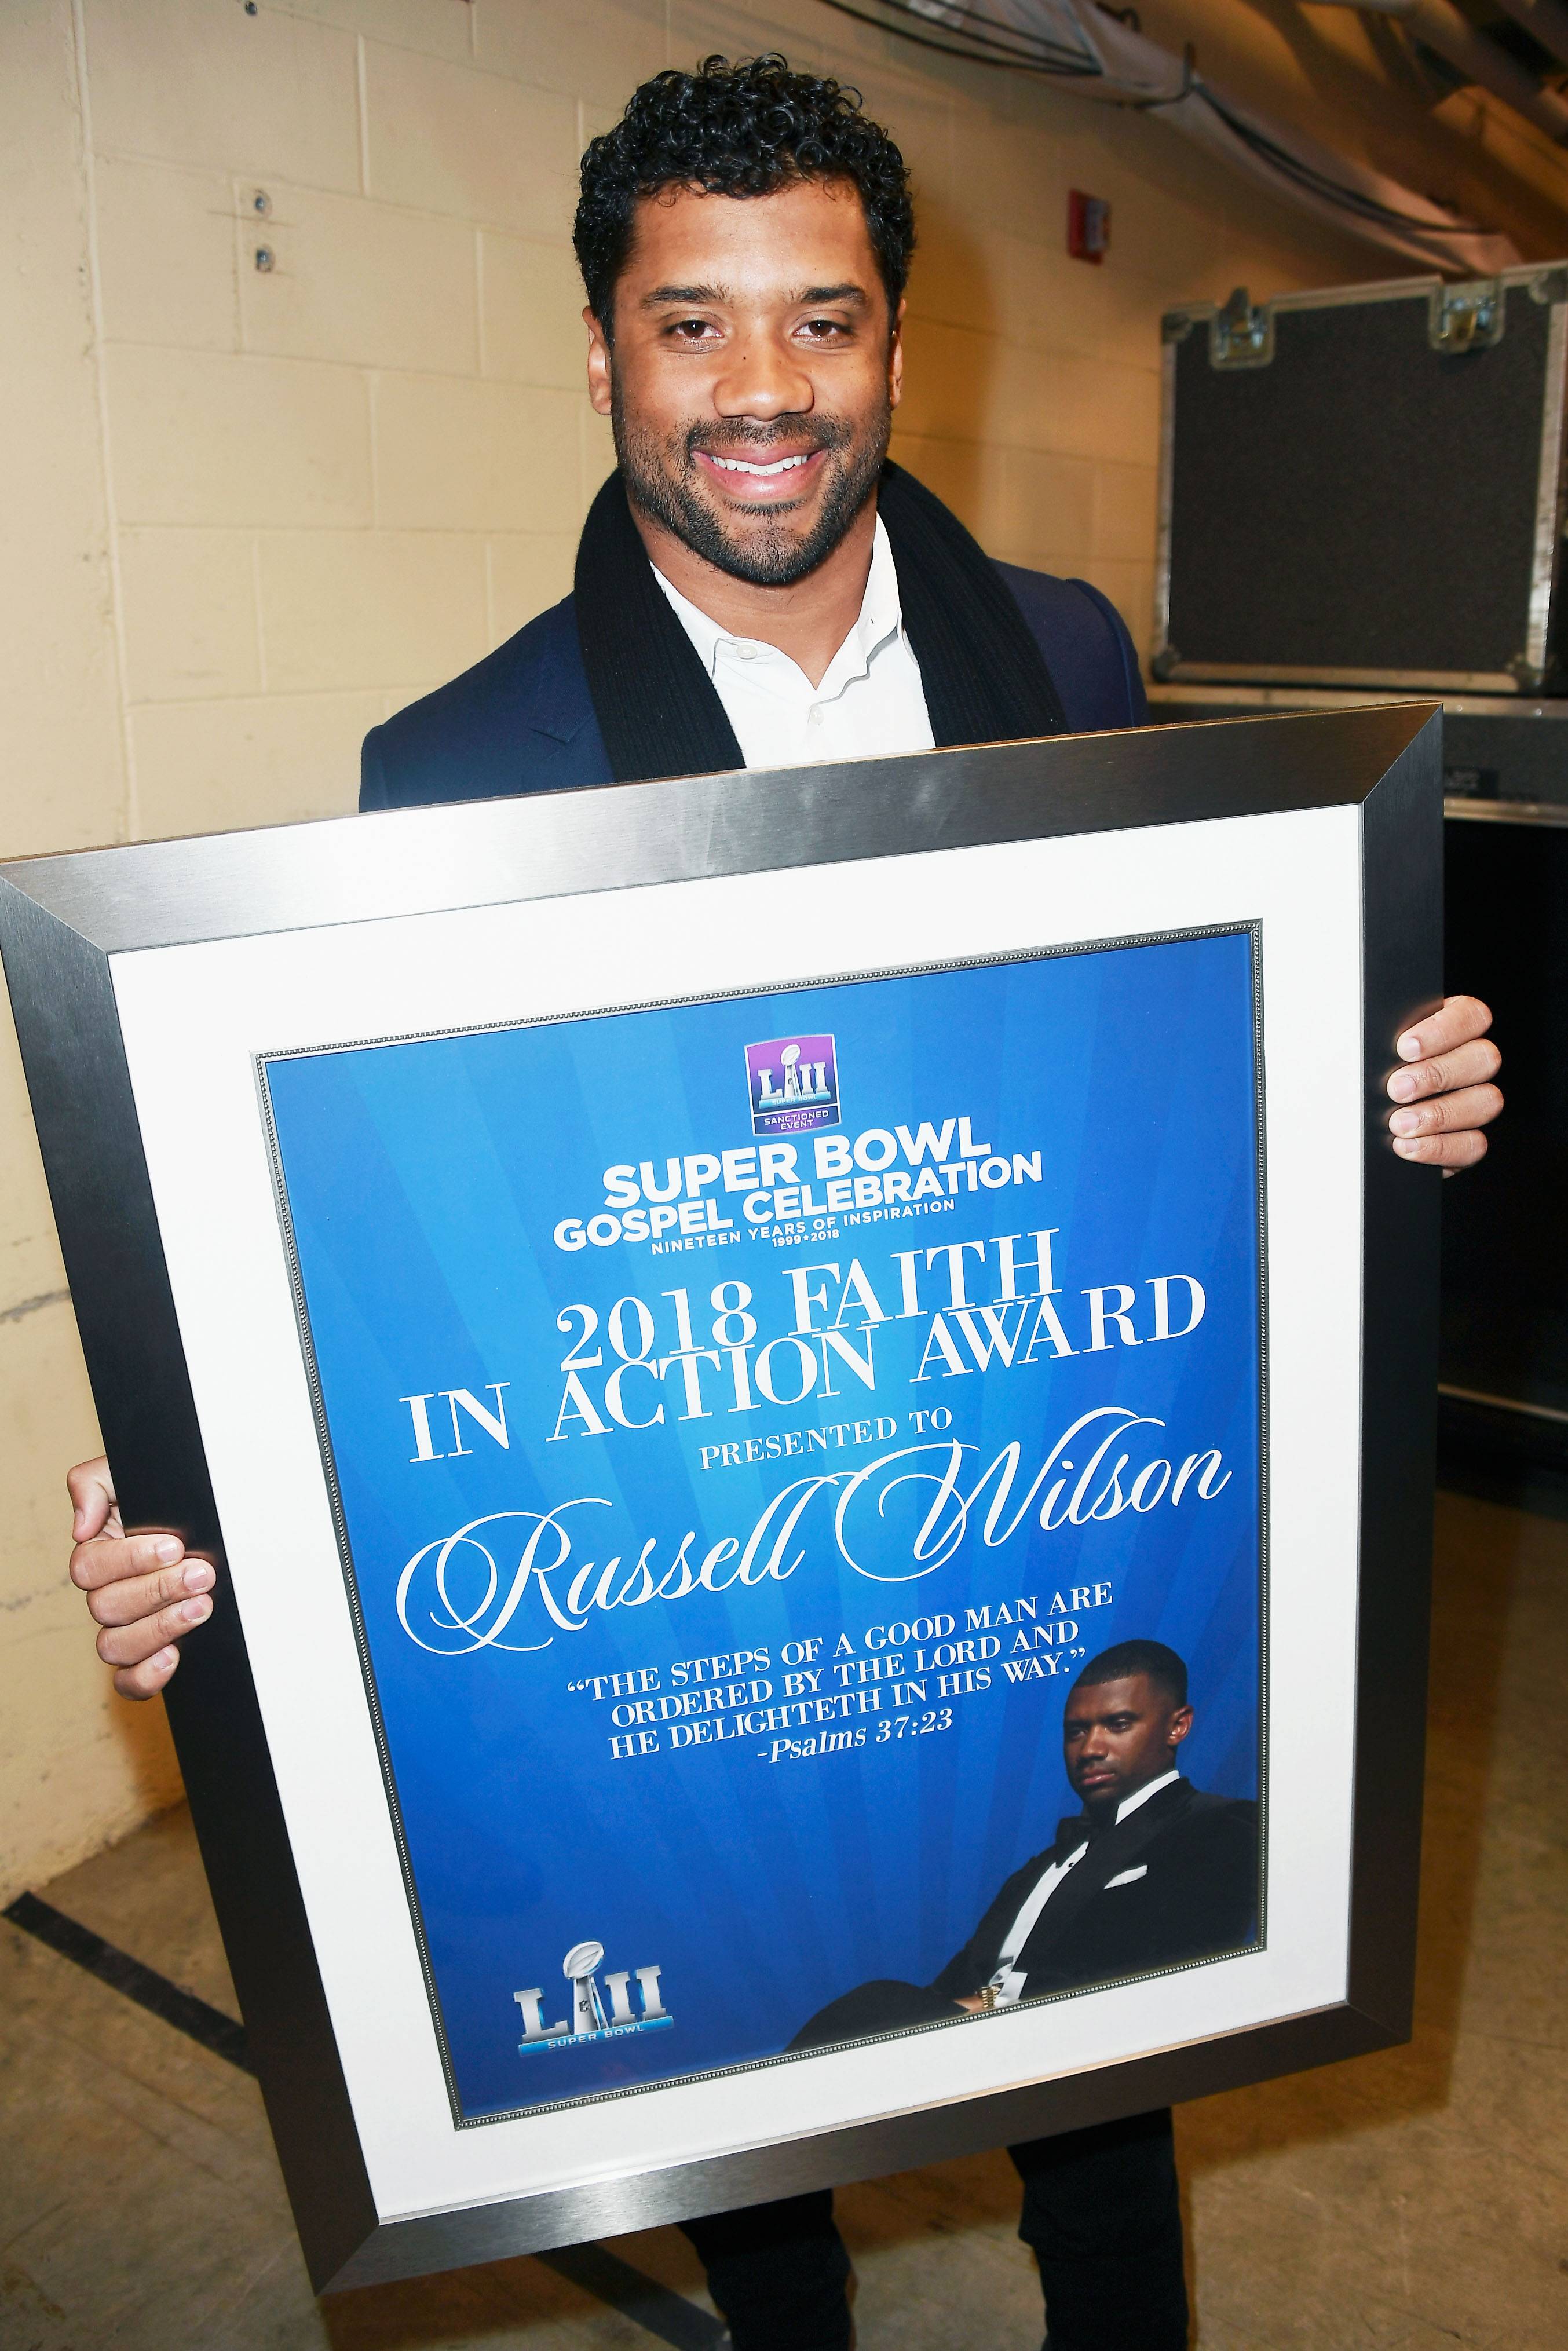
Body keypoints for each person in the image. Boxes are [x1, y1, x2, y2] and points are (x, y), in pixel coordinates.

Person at [63, 53, 1504, 2351]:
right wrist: (198, 1473)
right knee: (750, 2089)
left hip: (1031, 1528)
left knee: (1098, 2047)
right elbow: (432, 1249)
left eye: (819, 321)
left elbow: (1156, 1092)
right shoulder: (456, 772)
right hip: (715, 1562)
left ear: (897, 346)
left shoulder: (1062, 657)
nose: (763, 391)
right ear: (609, 349)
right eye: (694, 323)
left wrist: (1378, 1091)